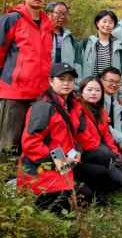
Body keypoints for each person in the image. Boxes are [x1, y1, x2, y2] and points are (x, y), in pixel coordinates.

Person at [0, 0, 53, 159]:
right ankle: (4, 182)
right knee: (10, 138)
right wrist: (3, 74)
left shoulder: (48, 24)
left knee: (33, 137)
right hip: (16, 90)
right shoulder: (12, 19)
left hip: (40, 92)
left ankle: (26, 180)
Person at [17, 63, 85, 212]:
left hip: (64, 167)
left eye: (70, 79)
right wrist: (61, 162)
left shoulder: (72, 105)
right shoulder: (43, 107)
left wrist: (77, 151)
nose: (66, 83)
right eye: (61, 79)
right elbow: (30, 144)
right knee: (65, 208)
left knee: (90, 195)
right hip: (42, 170)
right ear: (50, 81)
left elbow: (74, 136)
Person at [74, 77, 122, 199]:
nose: (93, 93)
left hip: (99, 153)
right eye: (89, 90)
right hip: (82, 155)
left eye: (97, 90)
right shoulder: (76, 109)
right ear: (81, 92)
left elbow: (107, 136)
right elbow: (83, 137)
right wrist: (108, 153)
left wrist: (115, 154)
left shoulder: (102, 112)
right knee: (104, 155)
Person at [100, 67, 122, 173]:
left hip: (112, 143)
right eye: (111, 81)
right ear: (101, 81)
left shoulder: (113, 100)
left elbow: (117, 127)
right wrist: (121, 139)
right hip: (100, 145)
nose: (114, 85)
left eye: (117, 82)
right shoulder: (97, 99)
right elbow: (103, 126)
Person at [79, 10, 122, 82]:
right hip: (91, 87)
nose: (107, 25)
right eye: (104, 21)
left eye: (111, 22)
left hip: (111, 87)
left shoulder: (118, 45)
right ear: (97, 23)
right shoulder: (87, 43)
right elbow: (79, 66)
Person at [46, 1, 79, 68]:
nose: (62, 17)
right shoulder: (41, 34)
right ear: (49, 14)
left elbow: (76, 62)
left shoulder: (70, 38)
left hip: (65, 76)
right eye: (59, 13)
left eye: (65, 13)